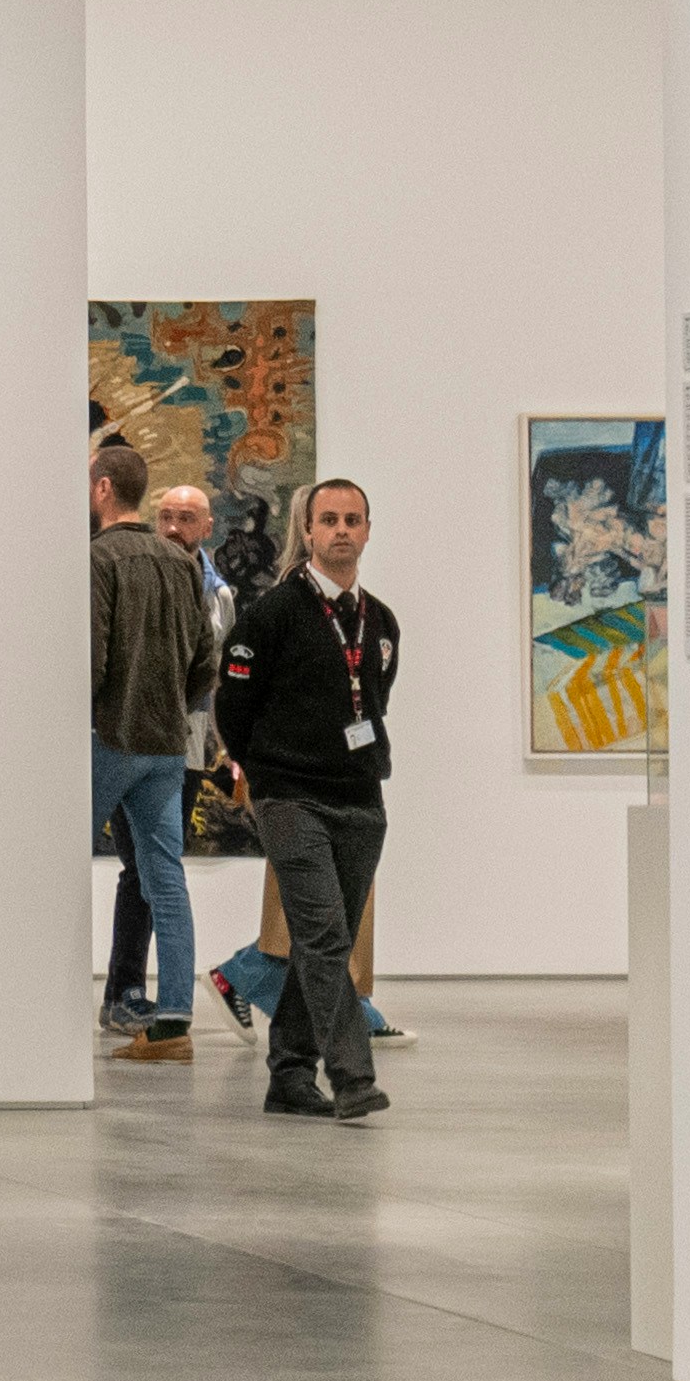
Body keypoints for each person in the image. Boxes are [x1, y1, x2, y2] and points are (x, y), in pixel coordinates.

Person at [214, 475, 403, 1124]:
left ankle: (291, 1076)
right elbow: (234, 704)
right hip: (291, 797)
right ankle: (353, 1077)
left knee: (324, 942)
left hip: (360, 800)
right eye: (329, 520)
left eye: (353, 520)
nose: (341, 530)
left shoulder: (381, 621)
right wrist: (262, 772)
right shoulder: (273, 614)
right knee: (324, 939)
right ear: (309, 531)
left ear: (368, 531)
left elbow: (375, 700)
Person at [85, 432, 214, 1059]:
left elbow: (92, 657)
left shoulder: (99, 559)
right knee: (166, 878)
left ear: (104, 488)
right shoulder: (182, 563)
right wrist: (172, 708)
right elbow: (206, 660)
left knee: (55, 863)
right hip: (166, 746)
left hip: (110, 739)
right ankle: (173, 1022)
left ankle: (37, 1009)